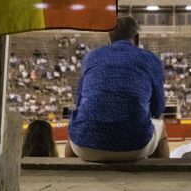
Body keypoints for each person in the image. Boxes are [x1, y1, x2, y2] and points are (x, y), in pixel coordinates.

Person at [65, 16, 169, 162]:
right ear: (137, 38)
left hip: (85, 147)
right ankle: (160, 179)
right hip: (135, 146)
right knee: (161, 128)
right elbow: (158, 109)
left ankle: (69, 174)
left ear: (109, 40)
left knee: (74, 129)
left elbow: (79, 102)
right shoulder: (150, 59)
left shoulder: (91, 57)